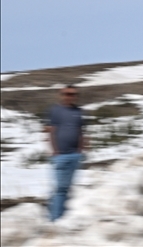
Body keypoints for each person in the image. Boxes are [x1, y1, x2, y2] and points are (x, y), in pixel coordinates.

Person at [46, 84, 87, 220]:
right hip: (61, 155)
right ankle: (55, 219)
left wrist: (81, 150)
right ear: (61, 95)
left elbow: (81, 131)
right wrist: (55, 151)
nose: (70, 96)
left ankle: (57, 213)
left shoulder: (79, 111)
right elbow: (51, 131)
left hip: (75, 155)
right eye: (67, 94)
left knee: (65, 188)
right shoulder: (55, 110)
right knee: (61, 189)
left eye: (73, 94)